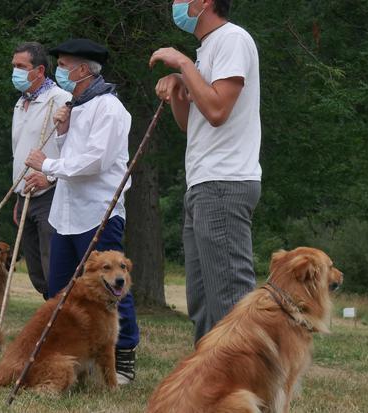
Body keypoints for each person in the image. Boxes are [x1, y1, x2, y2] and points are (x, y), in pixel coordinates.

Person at [25, 38, 140, 384]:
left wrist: (48, 165)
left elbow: (96, 160)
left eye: (64, 64)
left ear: (84, 70)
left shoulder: (110, 107)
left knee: (112, 287)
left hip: (98, 211)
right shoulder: (78, 105)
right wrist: (61, 134)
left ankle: (124, 358)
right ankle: (72, 355)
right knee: (61, 289)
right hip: (67, 213)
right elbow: (75, 153)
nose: (60, 70)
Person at [149, 0, 262, 343]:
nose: (176, 4)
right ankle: (207, 380)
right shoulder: (207, 50)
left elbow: (216, 110)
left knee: (229, 298)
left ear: (205, 3)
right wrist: (180, 88)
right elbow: (191, 124)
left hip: (224, 182)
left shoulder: (232, 39)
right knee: (203, 302)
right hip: (203, 182)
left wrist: (181, 63)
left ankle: (242, 385)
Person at [10, 42, 72, 300]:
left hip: (51, 193)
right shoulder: (19, 103)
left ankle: (58, 316)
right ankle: (50, 310)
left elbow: (71, 149)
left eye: (21, 67)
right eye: (14, 66)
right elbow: (19, 150)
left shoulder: (60, 99)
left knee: (52, 263)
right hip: (24, 193)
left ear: (39, 70)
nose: (15, 72)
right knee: (34, 266)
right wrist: (17, 194)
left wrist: (49, 177)